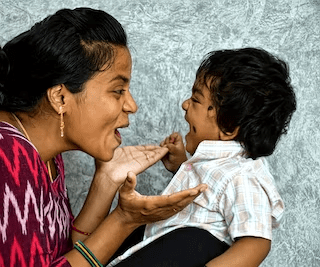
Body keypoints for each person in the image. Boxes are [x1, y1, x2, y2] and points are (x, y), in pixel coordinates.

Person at [0, 7, 207, 267]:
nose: (132, 105)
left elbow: (65, 254)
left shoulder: (40, 151)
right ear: (60, 97)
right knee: (194, 243)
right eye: (118, 90)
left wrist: (105, 182)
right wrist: (123, 220)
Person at [108, 47, 297, 267]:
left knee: (192, 240)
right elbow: (203, 204)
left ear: (228, 125)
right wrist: (180, 166)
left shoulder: (244, 176)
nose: (185, 104)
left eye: (195, 99)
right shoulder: (217, 167)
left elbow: (256, 242)